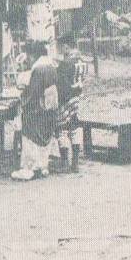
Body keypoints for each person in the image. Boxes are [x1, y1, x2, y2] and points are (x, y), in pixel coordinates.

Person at [11, 41, 59, 181]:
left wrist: (22, 98)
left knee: (28, 130)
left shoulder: (39, 69)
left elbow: (33, 94)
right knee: (45, 136)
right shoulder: (51, 66)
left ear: (34, 55)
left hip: (37, 110)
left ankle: (30, 168)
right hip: (50, 108)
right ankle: (43, 166)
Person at [55, 35, 88, 173]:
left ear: (66, 46)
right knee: (75, 128)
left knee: (62, 128)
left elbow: (61, 85)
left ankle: (64, 161)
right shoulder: (83, 61)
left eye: (60, 47)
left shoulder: (65, 64)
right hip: (77, 97)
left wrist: (59, 102)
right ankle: (75, 162)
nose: (59, 50)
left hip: (66, 99)